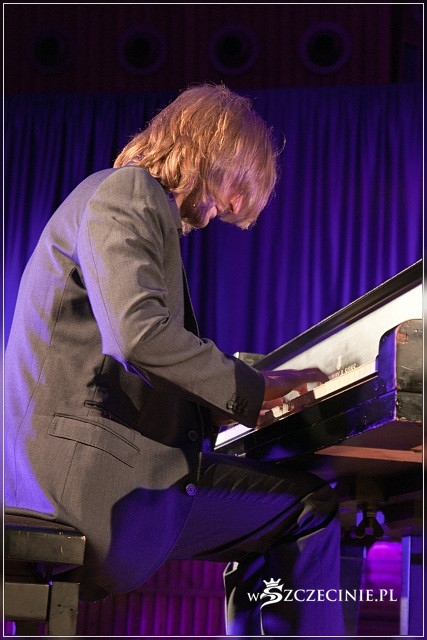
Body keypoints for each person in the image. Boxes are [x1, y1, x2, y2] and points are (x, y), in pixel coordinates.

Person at [4, 83, 346, 636]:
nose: (216, 216)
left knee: (270, 515)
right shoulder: (128, 193)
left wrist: (220, 408)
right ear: (210, 151)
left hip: (53, 476)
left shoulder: (111, 198)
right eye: (227, 193)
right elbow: (139, 336)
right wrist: (256, 389)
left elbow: (117, 365)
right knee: (308, 507)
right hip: (82, 487)